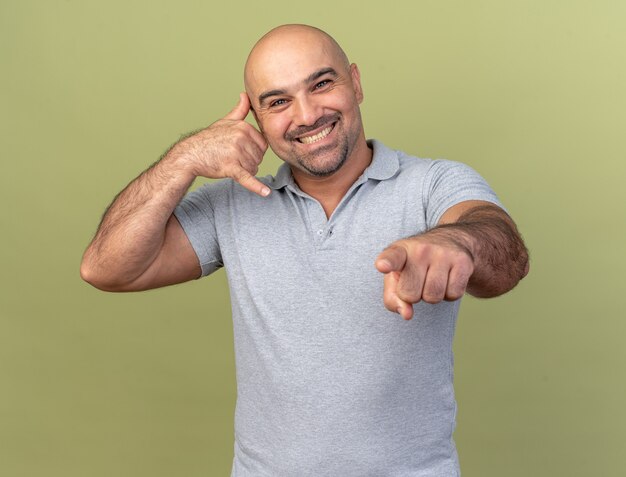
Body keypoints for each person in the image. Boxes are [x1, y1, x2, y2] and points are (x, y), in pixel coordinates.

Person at [81, 24, 529, 477]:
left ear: (355, 83)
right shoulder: (234, 202)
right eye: (278, 101)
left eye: (322, 84)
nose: (308, 114)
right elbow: (107, 268)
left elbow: (506, 254)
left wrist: (457, 241)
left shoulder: (433, 184)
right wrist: (183, 160)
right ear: (255, 118)